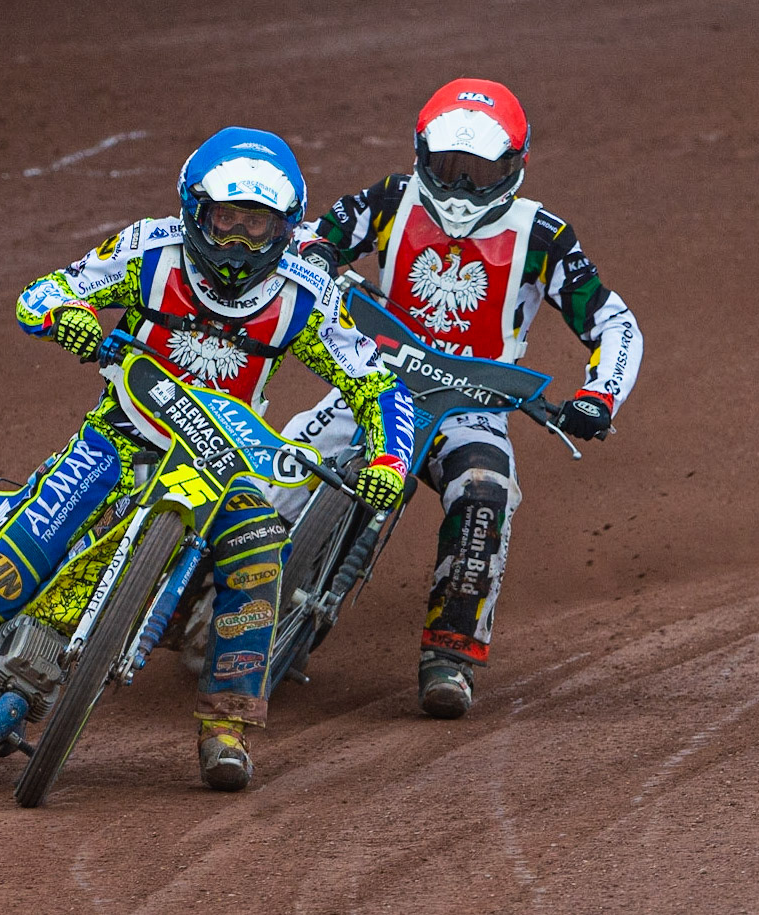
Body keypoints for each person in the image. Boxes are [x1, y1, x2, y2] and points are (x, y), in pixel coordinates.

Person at [0, 127, 417, 791]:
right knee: (4, 573)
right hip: (119, 434)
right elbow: (42, 292)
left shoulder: (306, 296)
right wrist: (66, 315)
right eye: (224, 221)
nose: (235, 242)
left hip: (220, 462)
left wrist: (388, 462)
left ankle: (225, 727)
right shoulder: (149, 250)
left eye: (255, 228)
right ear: (193, 210)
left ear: (285, 230)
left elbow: (379, 385)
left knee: (260, 550)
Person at [275, 78, 644, 720]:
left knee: (484, 490)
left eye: (479, 174)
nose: (461, 190)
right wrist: (321, 259)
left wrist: (598, 396)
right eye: (449, 170)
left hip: (470, 403)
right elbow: (311, 233)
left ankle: (450, 656)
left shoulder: (544, 236)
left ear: (514, 169)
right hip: (374, 380)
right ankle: (191, 582)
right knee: (274, 470)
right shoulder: (392, 198)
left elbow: (614, 322)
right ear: (422, 155)